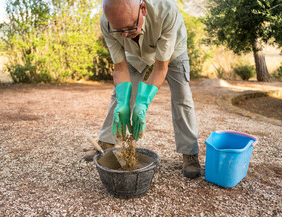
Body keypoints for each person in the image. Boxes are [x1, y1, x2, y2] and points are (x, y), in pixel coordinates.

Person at [84, 0, 200, 178]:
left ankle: (190, 153)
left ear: (143, 9)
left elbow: (160, 68)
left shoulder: (167, 10)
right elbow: (120, 68)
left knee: (182, 97)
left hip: (173, 52)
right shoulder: (107, 24)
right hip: (136, 54)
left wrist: (142, 104)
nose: (124, 34)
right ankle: (106, 142)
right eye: (118, 30)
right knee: (120, 96)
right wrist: (125, 102)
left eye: (129, 27)